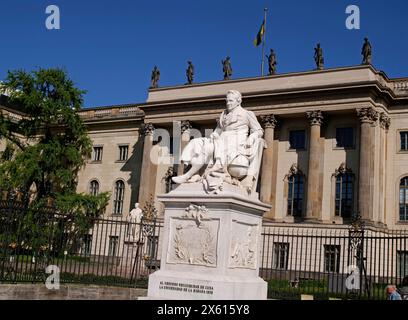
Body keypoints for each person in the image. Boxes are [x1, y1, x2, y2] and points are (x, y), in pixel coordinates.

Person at [172, 90, 265, 194]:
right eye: (227, 101)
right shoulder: (224, 114)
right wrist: (215, 134)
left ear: (238, 101)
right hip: (221, 140)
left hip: (236, 143)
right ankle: (195, 174)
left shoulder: (247, 114)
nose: (228, 103)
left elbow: (259, 130)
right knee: (196, 142)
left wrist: (252, 137)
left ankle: (187, 176)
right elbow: (218, 130)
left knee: (208, 148)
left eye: (231, 101)